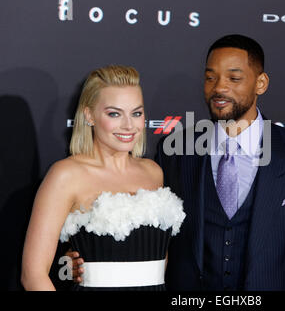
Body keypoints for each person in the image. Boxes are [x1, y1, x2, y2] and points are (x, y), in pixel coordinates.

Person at [72, 34, 285, 290]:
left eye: (234, 78)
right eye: (210, 78)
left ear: (261, 83)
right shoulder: (174, 151)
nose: (219, 88)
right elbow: (141, 232)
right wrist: (82, 260)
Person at [21, 65, 185, 291]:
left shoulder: (153, 172)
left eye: (136, 113)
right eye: (114, 114)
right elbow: (33, 275)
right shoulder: (66, 175)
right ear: (89, 115)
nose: (129, 125)